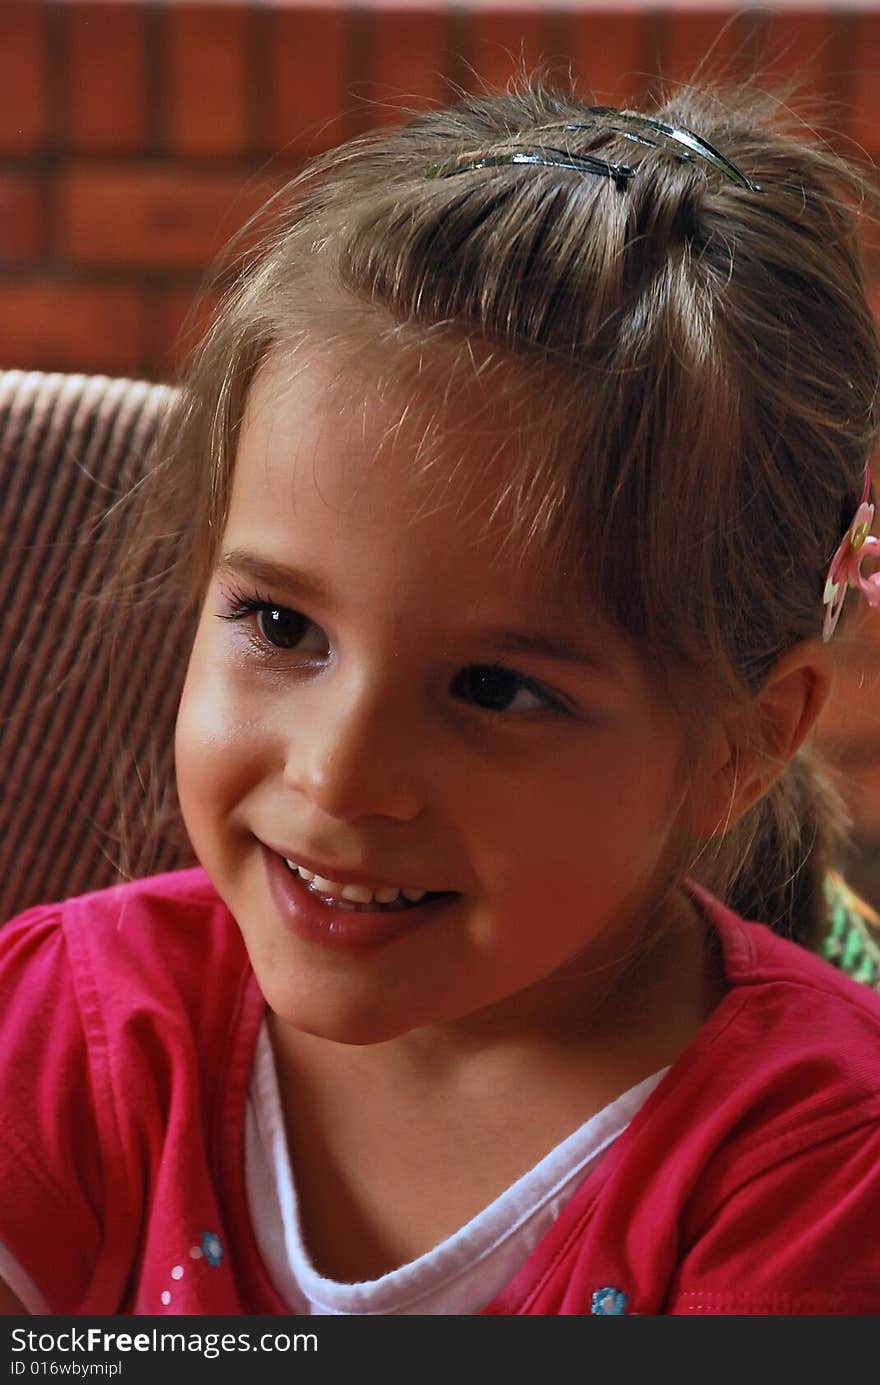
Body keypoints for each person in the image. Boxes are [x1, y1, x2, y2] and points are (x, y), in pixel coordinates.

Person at [2, 74, 880, 1317]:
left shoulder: (824, 1171)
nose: (338, 772)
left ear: (747, 739)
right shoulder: (67, 1032)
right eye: (280, 624)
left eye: (494, 688)